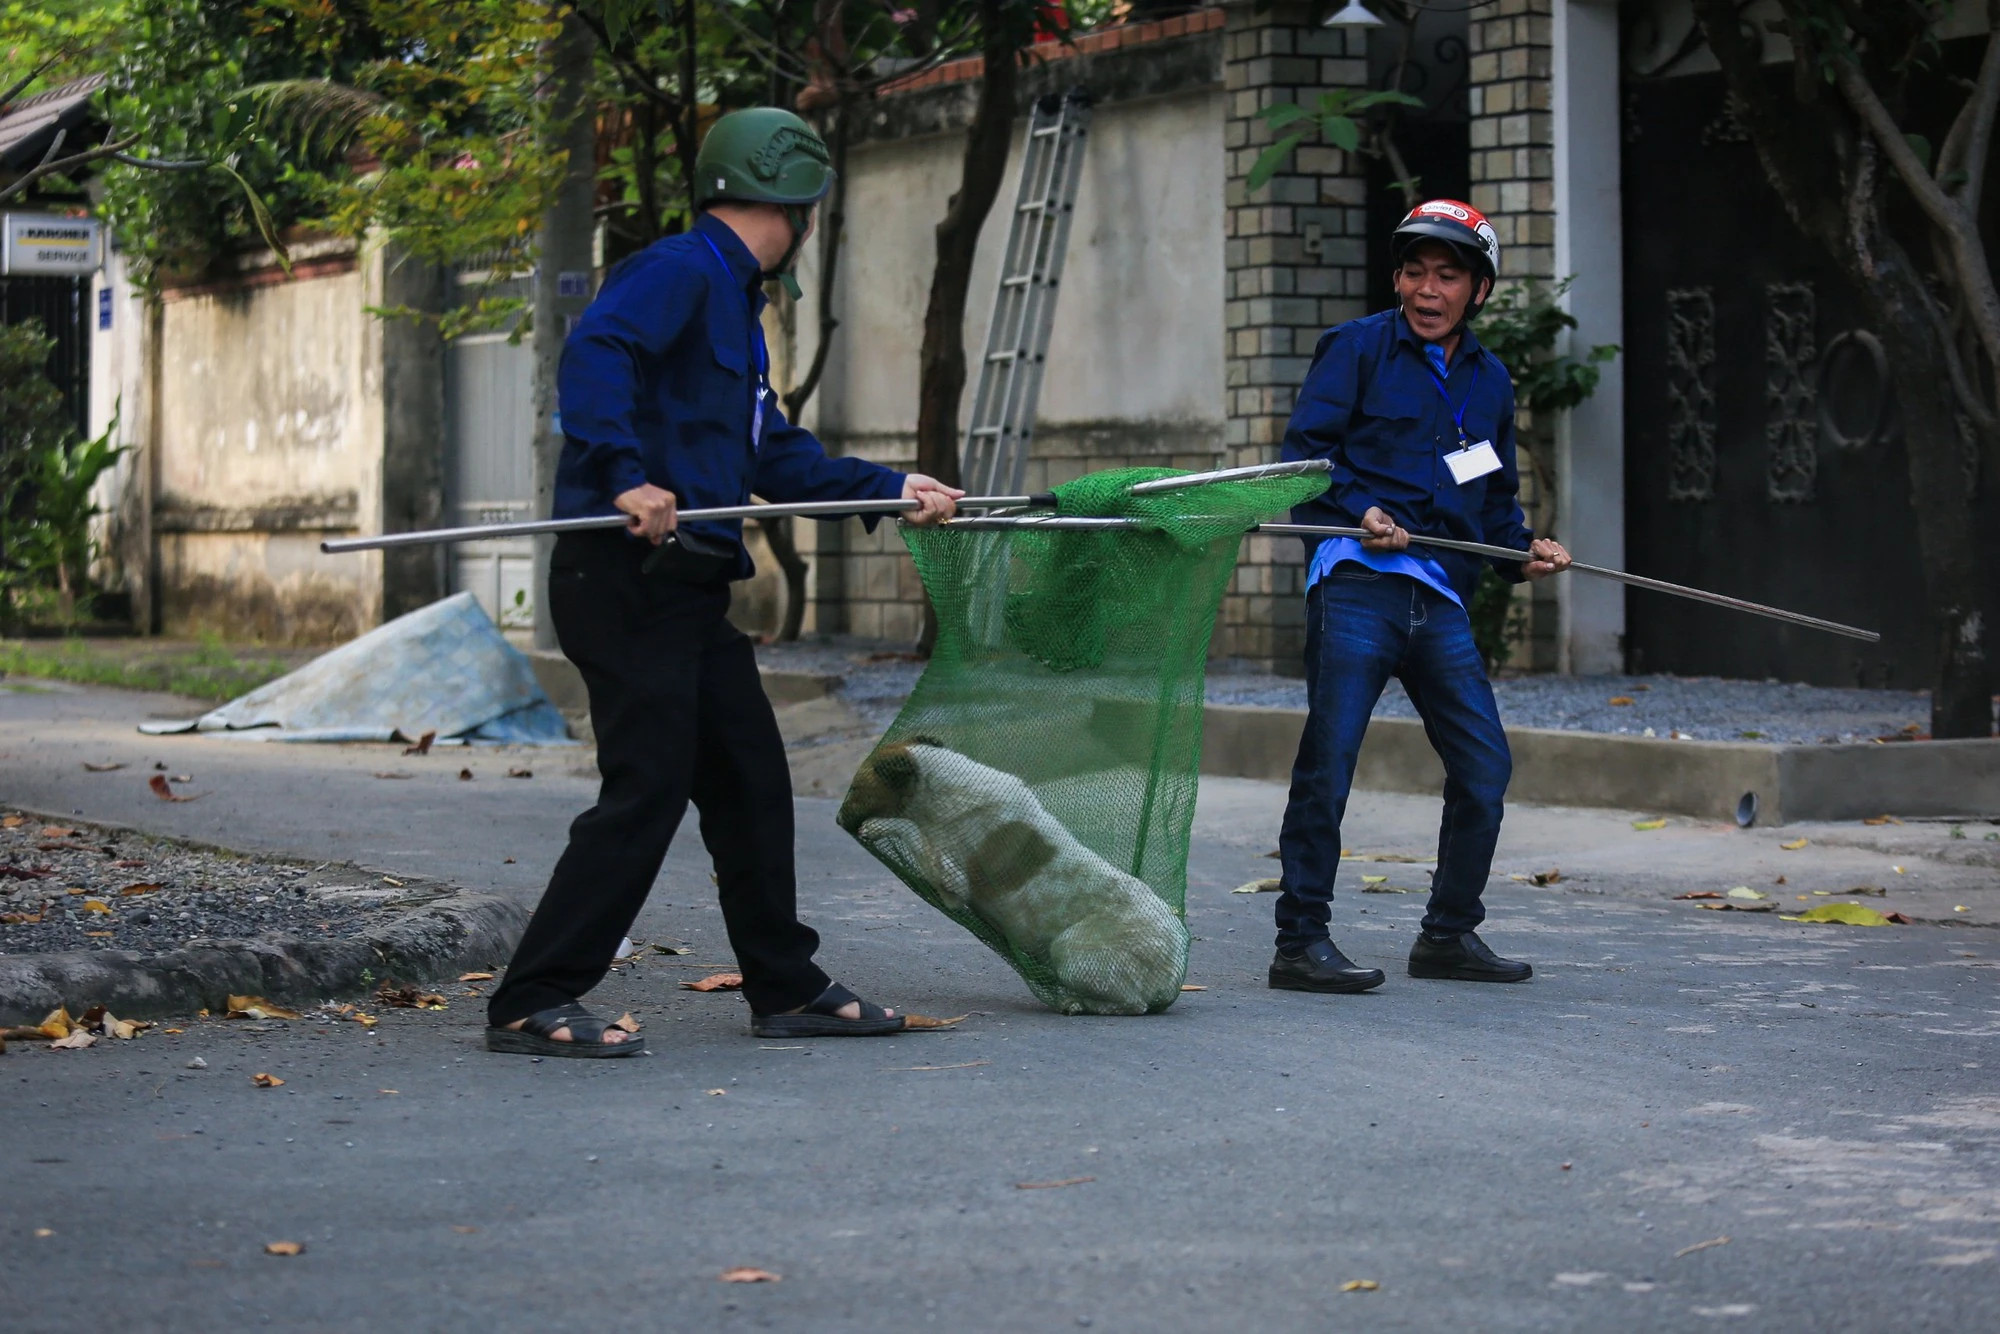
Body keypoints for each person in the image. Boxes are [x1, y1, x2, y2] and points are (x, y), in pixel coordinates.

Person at [486, 108, 963, 1057]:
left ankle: (784, 986)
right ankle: (532, 995)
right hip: (624, 576)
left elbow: (771, 455)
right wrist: (623, 474)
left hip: (689, 587)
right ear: (799, 201)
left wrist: (886, 486)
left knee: (750, 782)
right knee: (649, 787)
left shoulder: (737, 310)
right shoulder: (677, 272)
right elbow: (595, 354)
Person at [1267, 199, 1571, 996]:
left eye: (1447, 275)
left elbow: (1494, 498)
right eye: (1414, 271)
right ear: (1397, 277)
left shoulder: (1490, 379)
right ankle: (1299, 942)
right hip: (1357, 582)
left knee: (1484, 767)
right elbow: (1306, 464)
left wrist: (1524, 551)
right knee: (1328, 764)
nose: (1427, 289)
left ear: (1478, 290)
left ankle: (1447, 934)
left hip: (1439, 597)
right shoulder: (1356, 350)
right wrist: (1358, 511)